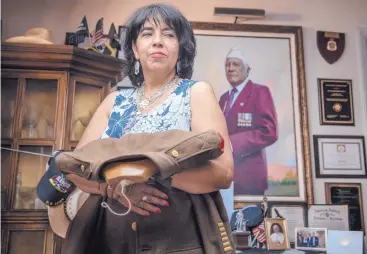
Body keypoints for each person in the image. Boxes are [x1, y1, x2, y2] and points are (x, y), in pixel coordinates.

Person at [67, 3, 234, 254]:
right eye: (147, 34)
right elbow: (75, 169)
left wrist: (148, 175)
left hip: (180, 241)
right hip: (111, 241)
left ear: (181, 47)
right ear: (134, 48)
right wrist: (117, 188)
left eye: (169, 34)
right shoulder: (114, 102)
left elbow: (222, 173)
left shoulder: (196, 93)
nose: (158, 41)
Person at [219, 48, 278, 195]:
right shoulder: (224, 98)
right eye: (228, 64)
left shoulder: (260, 92)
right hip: (224, 177)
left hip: (249, 178)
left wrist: (231, 143)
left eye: (236, 64)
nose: (231, 68)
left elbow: (269, 131)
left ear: (248, 70)